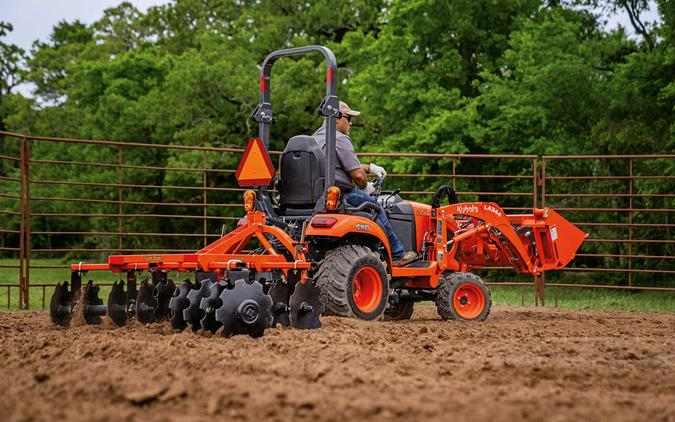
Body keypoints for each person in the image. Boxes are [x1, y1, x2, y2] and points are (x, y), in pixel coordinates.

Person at [312, 101, 417, 266]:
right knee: (376, 206)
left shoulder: (315, 138)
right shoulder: (339, 139)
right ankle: (397, 254)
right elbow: (357, 176)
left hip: (318, 195)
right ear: (337, 119)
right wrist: (366, 187)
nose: (351, 123)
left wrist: (370, 167)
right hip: (342, 195)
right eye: (348, 118)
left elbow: (336, 166)